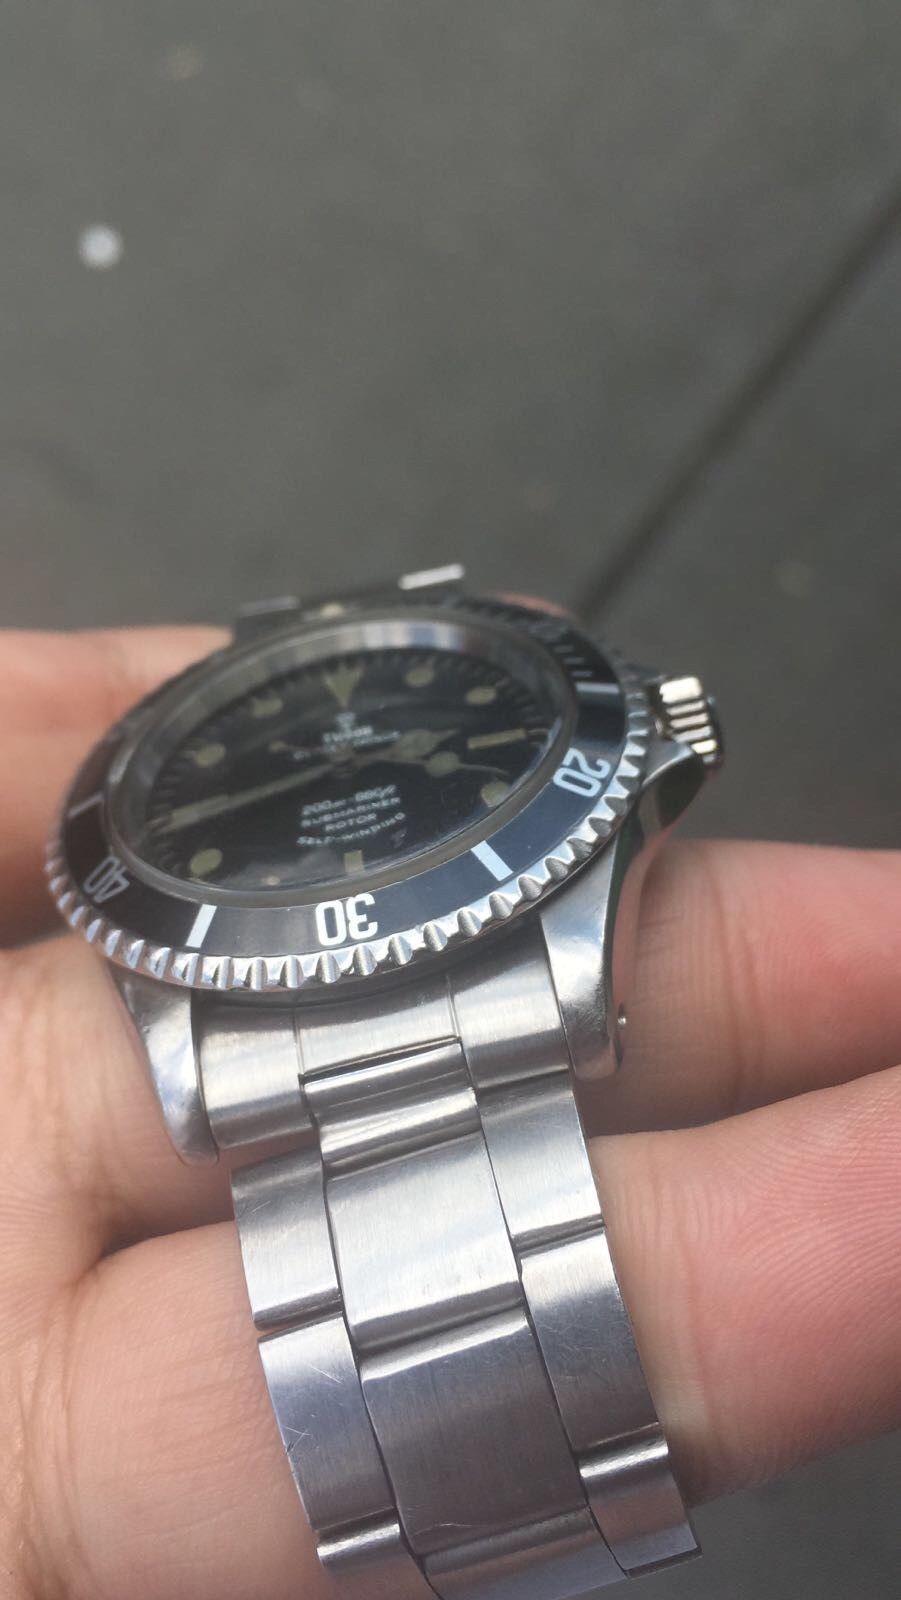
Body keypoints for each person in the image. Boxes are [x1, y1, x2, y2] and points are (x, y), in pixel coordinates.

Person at [1, 622, 899, 1600]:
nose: (346, 757)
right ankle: (516, 1543)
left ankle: (501, 1547)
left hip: (485, 970)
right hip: (259, 1017)